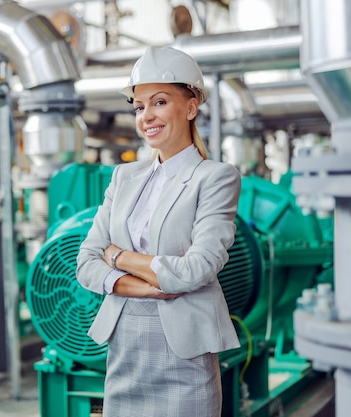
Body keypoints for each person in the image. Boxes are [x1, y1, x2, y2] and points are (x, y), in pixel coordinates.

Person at [76, 45, 241, 416]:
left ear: (191, 107)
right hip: (125, 347)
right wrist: (149, 285)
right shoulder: (124, 176)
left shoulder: (215, 178)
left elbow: (197, 269)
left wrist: (117, 257)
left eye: (160, 102)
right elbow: (86, 262)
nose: (146, 115)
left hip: (184, 354)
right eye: (139, 106)